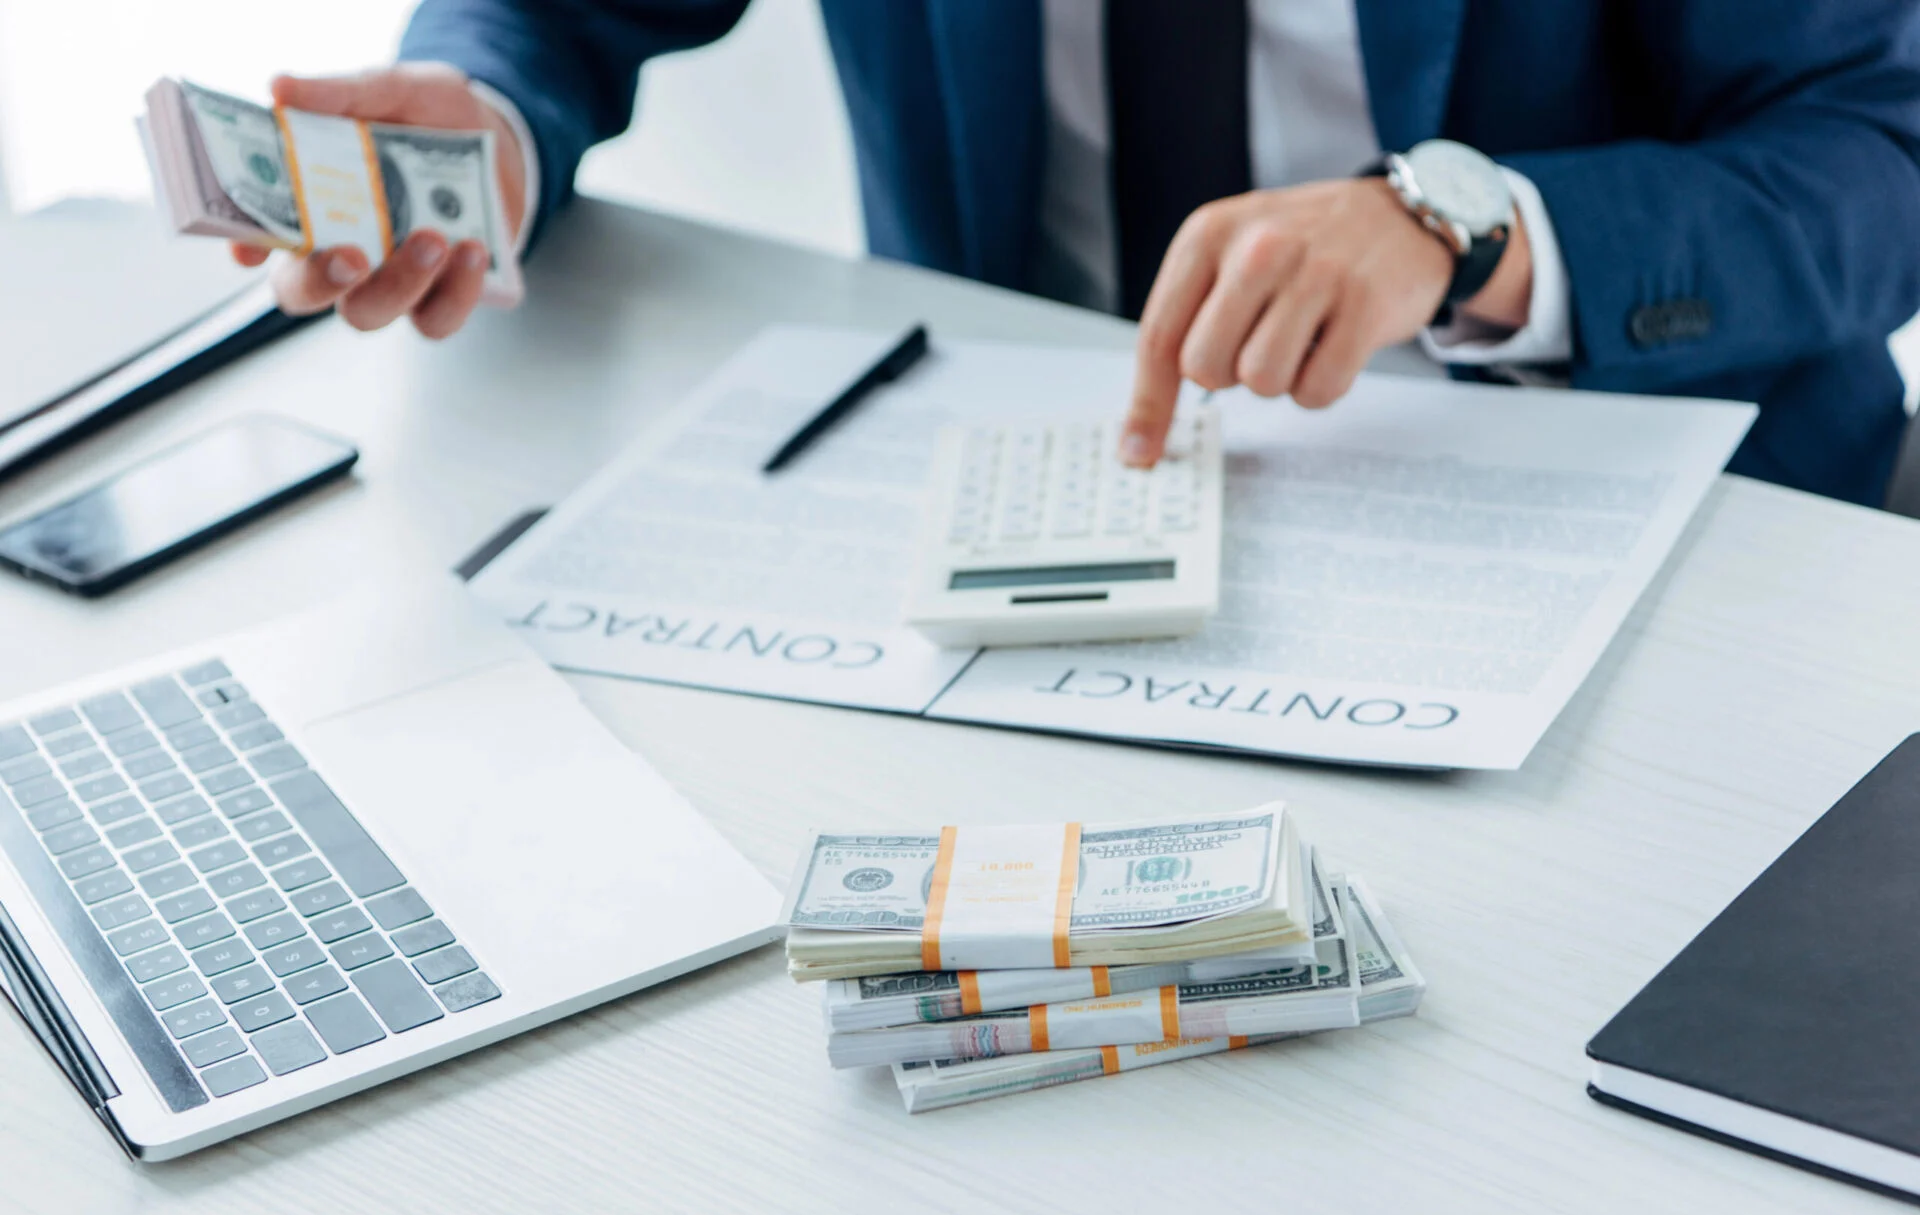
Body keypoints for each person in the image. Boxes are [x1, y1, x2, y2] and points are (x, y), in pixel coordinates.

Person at [237, 1, 1920, 507]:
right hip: (1040, 477)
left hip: (1627, 482)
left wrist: (1465, 230)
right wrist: (479, 116)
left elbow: (1878, 142)